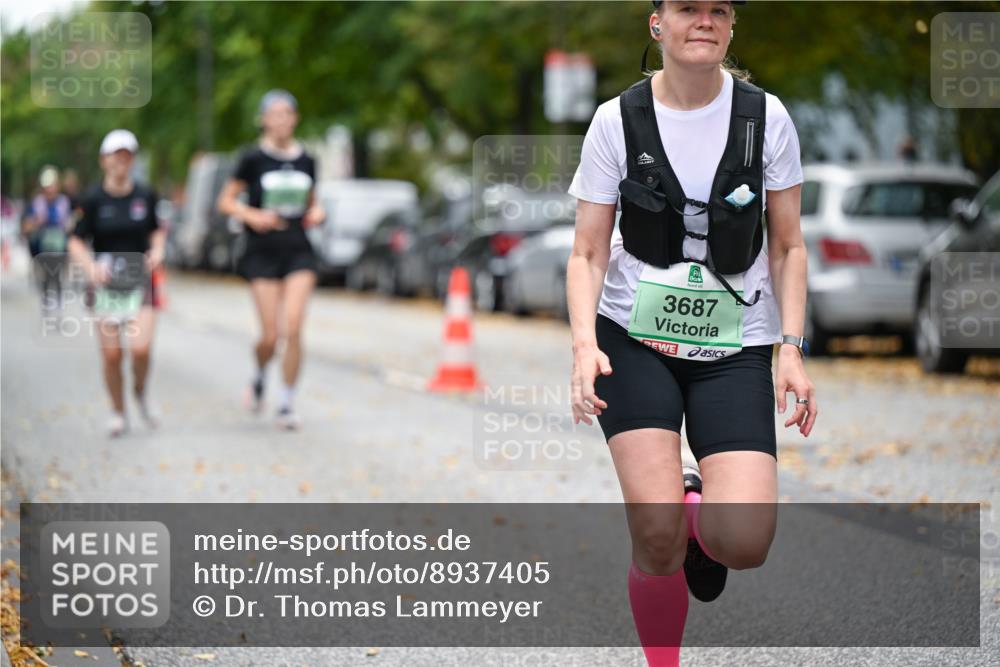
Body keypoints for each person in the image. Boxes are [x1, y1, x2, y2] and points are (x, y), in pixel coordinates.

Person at [565, 2, 817, 665]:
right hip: (632, 338)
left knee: (745, 541)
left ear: (732, 25)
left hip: (734, 347)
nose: (702, 20)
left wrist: (791, 346)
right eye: (686, 8)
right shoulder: (616, 120)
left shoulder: (767, 119)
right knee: (655, 533)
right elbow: (587, 253)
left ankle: (698, 510)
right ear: (657, 23)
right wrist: (585, 344)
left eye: (718, 10)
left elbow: (790, 246)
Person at [216, 89, 325, 430]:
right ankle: (261, 372)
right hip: (262, 251)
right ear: (264, 119)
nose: (280, 120)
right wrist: (252, 215)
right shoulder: (252, 159)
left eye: (287, 113)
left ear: (295, 118)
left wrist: (317, 212)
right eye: (274, 114)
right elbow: (226, 202)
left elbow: (312, 201)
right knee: (270, 336)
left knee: (293, 328)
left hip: (298, 249)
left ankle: (286, 401)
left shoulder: (308, 158)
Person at [68, 129, 166, 438]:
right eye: (115, 155)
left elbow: (157, 231)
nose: (121, 161)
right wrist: (90, 266)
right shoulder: (92, 199)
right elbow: (75, 241)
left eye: (127, 155)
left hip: (140, 278)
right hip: (107, 282)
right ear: (104, 160)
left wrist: (158, 251)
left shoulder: (146, 195)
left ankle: (140, 390)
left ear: (133, 160)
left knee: (140, 349)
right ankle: (118, 409)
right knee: (112, 355)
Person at [23, 166, 73, 319]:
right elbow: (26, 226)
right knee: (45, 278)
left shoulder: (64, 202)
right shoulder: (36, 204)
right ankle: (47, 304)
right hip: (41, 248)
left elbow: (71, 225)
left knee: (57, 276)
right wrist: (35, 222)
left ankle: (57, 306)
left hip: (59, 247)